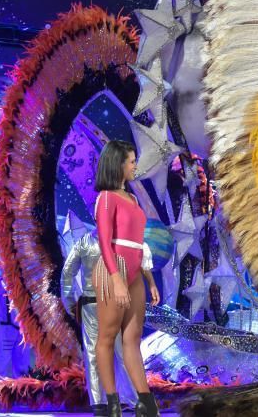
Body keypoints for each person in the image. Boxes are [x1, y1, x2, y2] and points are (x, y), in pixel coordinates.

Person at [92, 140, 160, 417]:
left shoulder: (131, 198)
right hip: (114, 269)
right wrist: (116, 279)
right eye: (131, 161)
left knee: (132, 337)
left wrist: (151, 280)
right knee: (108, 336)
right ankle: (112, 403)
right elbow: (105, 243)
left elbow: (139, 245)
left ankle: (146, 401)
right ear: (118, 164)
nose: (135, 166)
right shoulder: (106, 198)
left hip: (134, 272)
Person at [61, 230, 153, 415]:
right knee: (124, 351)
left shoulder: (85, 241)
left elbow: (67, 275)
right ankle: (136, 399)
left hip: (94, 304)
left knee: (95, 354)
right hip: (114, 303)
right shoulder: (126, 240)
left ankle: (100, 404)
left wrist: (70, 304)